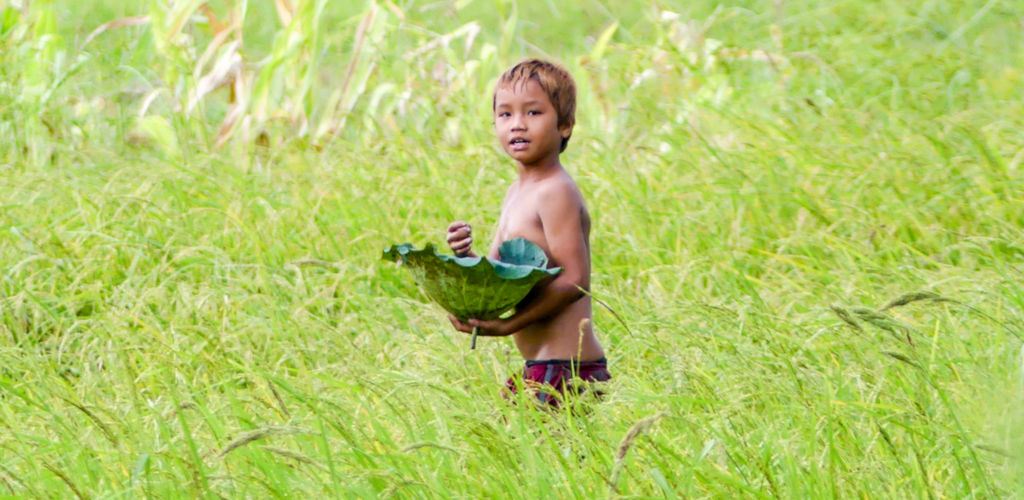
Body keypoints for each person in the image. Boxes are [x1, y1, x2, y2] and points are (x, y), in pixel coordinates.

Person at [445, 59, 609, 407]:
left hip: (566, 370)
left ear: (564, 125)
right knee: (516, 457)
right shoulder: (516, 194)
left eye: (533, 113)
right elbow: (500, 278)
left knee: (533, 457)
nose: (517, 125)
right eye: (505, 114)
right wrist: (465, 257)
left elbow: (574, 278)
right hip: (541, 367)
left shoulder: (556, 191)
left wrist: (508, 326)